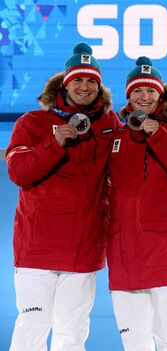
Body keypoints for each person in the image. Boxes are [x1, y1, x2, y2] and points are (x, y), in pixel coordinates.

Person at [6, 42, 119, 350]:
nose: (85, 87)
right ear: (65, 83)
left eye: (92, 81)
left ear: (99, 86)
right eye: (78, 80)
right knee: (32, 327)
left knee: (72, 334)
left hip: (83, 248)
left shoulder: (110, 124)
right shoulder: (31, 123)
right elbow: (19, 173)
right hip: (37, 249)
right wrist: (53, 144)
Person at [106, 56, 167, 350]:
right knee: (134, 341)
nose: (144, 96)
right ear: (128, 96)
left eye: (151, 90)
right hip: (125, 251)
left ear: (161, 94)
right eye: (138, 90)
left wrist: (157, 134)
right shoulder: (117, 133)